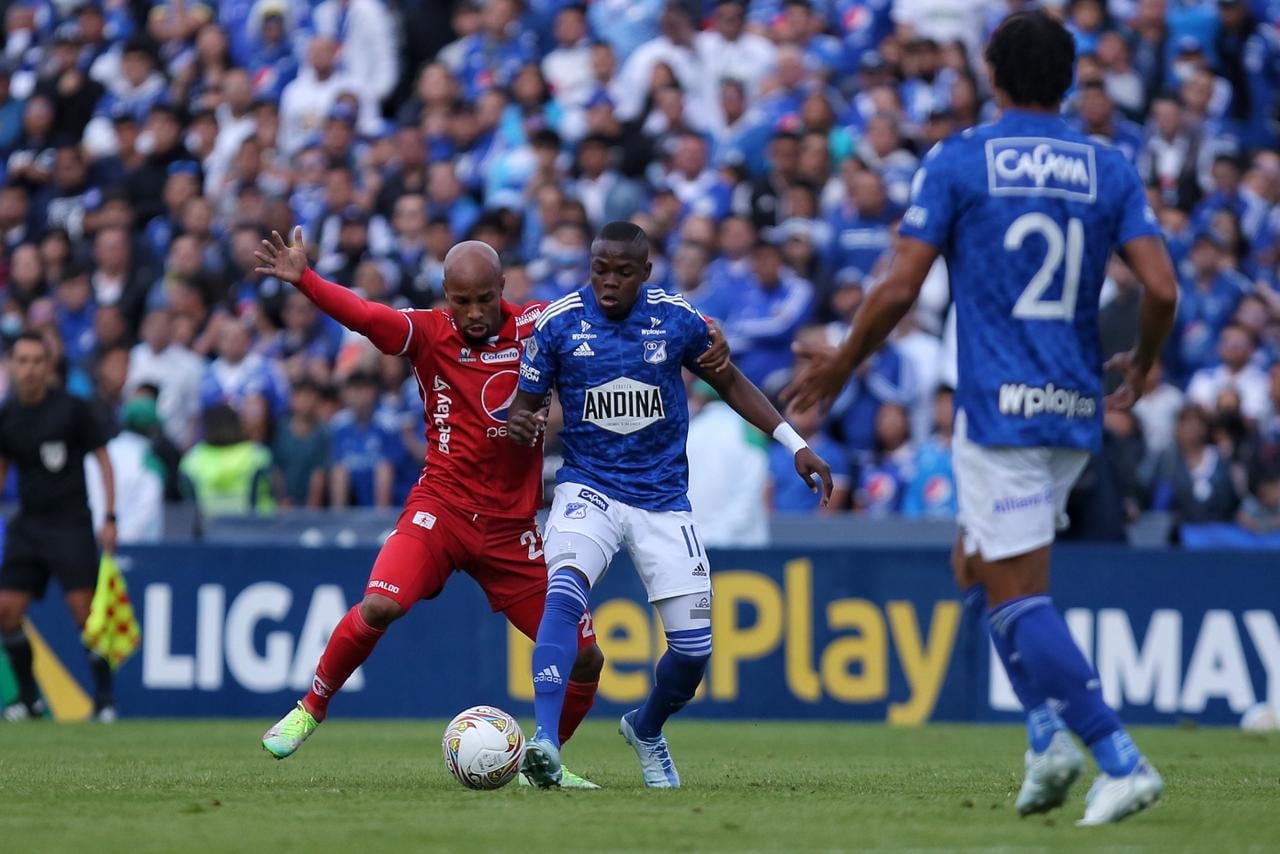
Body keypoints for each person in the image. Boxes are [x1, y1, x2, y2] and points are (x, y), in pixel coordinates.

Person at [784, 12, 1178, 825]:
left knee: (1012, 587)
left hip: (999, 407)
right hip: (1072, 405)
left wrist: (844, 361)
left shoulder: (960, 159)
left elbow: (898, 286)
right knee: (973, 563)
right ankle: (1045, 739)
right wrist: (1140, 363)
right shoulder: (1108, 165)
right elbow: (1163, 288)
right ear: (1069, 81)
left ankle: (1116, 756)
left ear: (992, 75)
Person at [252, 230, 729, 787]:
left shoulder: (538, 326)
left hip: (512, 530)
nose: (474, 313)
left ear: (503, 288)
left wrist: (712, 336)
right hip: (442, 510)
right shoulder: (427, 333)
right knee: (381, 604)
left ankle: (545, 762)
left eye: (484, 299)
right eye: (461, 301)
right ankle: (311, 706)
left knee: (586, 659)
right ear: (445, 295)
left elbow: (613, 311)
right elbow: (365, 316)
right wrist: (306, 279)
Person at [508, 221, 833, 789]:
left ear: (645, 274)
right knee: (563, 590)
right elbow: (523, 405)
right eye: (600, 270)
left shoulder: (676, 318)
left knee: (692, 654)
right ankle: (544, 741)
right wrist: (520, 420)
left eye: (623, 272)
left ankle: (647, 727)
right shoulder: (557, 325)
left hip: (662, 500)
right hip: (590, 487)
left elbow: (730, 382)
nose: (609, 283)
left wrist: (796, 444)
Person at [0, 332, 117, 721]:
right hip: (29, 524)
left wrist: (110, 516)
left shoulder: (72, 409)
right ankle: (30, 700)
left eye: (37, 361)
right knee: (7, 611)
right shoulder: (8, 414)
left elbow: (103, 460)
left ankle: (103, 701)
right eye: (23, 361)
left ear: (48, 367)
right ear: (13, 366)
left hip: (70, 523)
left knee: (84, 614)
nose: (30, 369)